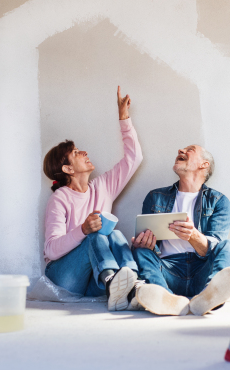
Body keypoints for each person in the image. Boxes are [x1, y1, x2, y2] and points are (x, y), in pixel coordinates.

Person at [42, 86, 142, 311]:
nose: (84, 152)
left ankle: (132, 286)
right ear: (67, 168)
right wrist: (83, 230)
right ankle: (113, 283)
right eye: (76, 153)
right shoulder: (60, 199)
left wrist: (124, 118)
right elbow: (51, 250)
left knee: (115, 234)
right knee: (94, 236)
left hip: (92, 284)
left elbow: (134, 158)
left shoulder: (103, 187)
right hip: (65, 279)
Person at [129, 144, 230, 316]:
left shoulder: (219, 201)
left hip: (201, 270)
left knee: (229, 246)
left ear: (204, 165)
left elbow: (213, 248)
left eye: (189, 150)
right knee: (140, 252)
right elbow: (150, 249)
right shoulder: (155, 196)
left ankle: (209, 296)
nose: (180, 151)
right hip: (167, 270)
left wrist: (193, 236)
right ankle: (167, 299)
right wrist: (145, 244)